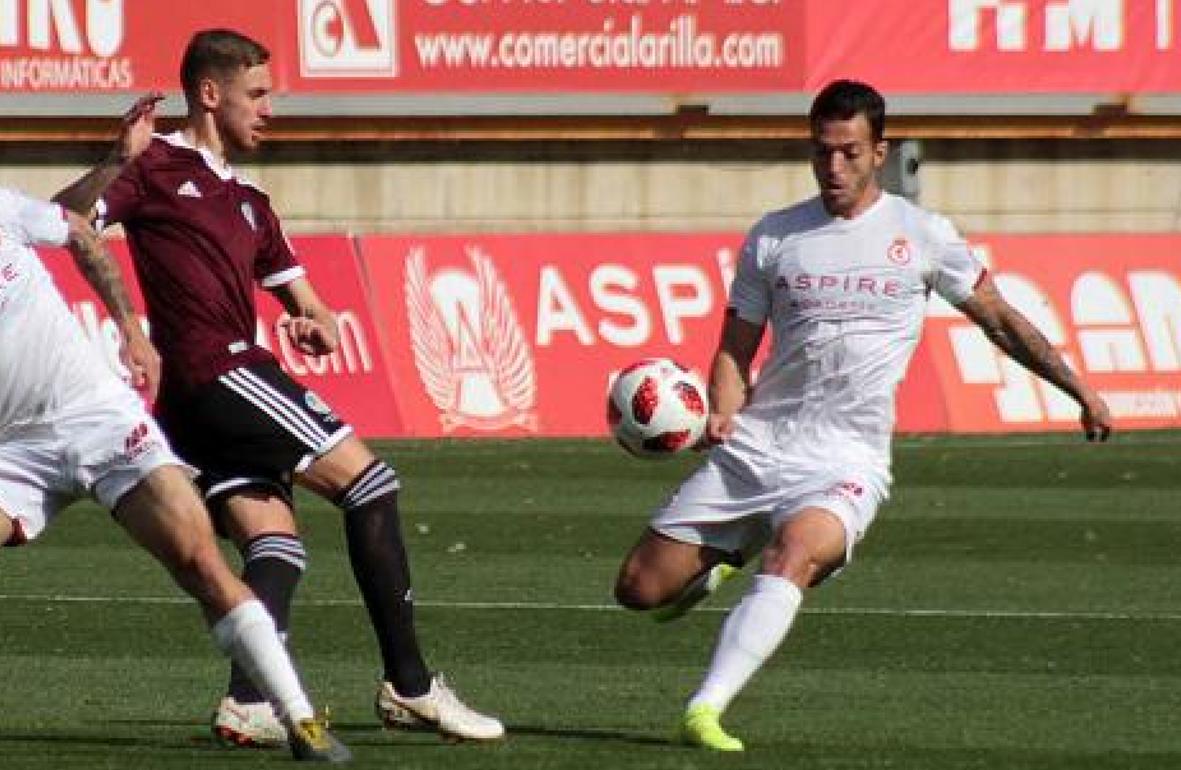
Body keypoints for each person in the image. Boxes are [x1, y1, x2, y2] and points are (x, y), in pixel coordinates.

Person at [612, 79, 1114, 752]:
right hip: (758, 449)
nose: (834, 168)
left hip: (845, 459)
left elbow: (998, 319)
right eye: (822, 152)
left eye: (849, 152)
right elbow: (735, 348)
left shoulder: (923, 235)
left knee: (793, 554)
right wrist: (725, 414)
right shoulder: (775, 237)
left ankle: (704, 709)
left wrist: (1077, 388)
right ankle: (729, 550)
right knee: (638, 591)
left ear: (881, 151)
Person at [54, 28, 503, 747]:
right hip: (216, 370)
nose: (269, 110)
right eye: (256, 94)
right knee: (373, 485)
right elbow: (67, 222)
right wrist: (117, 164)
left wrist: (313, 323)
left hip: (212, 392)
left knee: (275, 545)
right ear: (210, 94)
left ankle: (249, 702)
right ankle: (411, 686)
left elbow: (311, 308)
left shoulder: (253, 202)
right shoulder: (157, 165)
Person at [0, 184, 350, 763]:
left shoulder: (5, 210)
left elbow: (82, 233)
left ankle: (301, 720)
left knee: (202, 564)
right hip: (12, 452)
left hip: (98, 418)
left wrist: (130, 330)